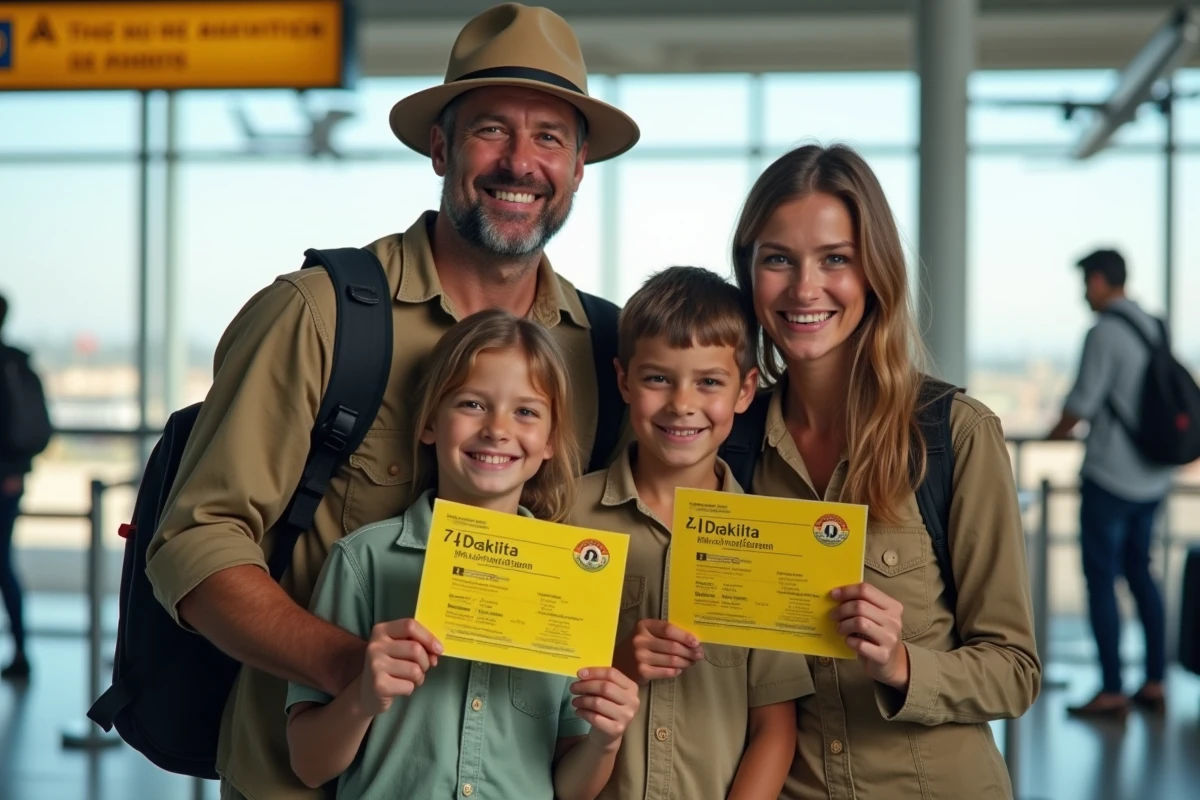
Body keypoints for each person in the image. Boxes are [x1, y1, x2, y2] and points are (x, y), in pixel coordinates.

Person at [142, 5, 640, 798]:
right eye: (490, 130)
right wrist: (353, 669)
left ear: (580, 168)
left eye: (549, 136)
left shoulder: (607, 350)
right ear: (440, 148)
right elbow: (194, 548)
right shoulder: (319, 315)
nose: (520, 162)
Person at [730, 145, 1041, 799]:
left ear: (875, 272)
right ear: (749, 272)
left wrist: (902, 664)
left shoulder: (956, 435)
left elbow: (1015, 671)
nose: (804, 288)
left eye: (835, 259)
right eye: (778, 258)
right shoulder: (730, 446)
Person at [286, 309, 639, 799]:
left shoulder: (575, 581)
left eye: (526, 411)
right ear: (430, 422)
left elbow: (570, 790)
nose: (497, 429)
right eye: (472, 404)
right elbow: (308, 765)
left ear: (551, 441)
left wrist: (605, 739)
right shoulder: (362, 561)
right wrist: (364, 696)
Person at [569, 266, 813, 800]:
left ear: (745, 390)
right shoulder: (561, 516)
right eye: (658, 378)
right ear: (624, 381)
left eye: (709, 381)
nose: (682, 403)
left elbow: (775, 726)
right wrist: (621, 666)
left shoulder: (768, 543)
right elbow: (533, 703)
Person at [1047, 248, 1172, 717]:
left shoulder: (1103, 333)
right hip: (1152, 476)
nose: (1084, 293)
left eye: (1086, 283)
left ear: (1100, 281)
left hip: (1110, 477)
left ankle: (1113, 688)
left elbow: (1082, 403)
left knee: (1101, 580)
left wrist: (1049, 436)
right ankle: (1155, 681)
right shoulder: (1153, 324)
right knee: (1142, 573)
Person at [0, 293, 34, 681]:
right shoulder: (16, 361)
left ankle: (21, 651)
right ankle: (21, 649)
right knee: (5, 564)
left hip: (4, 478)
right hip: (10, 480)